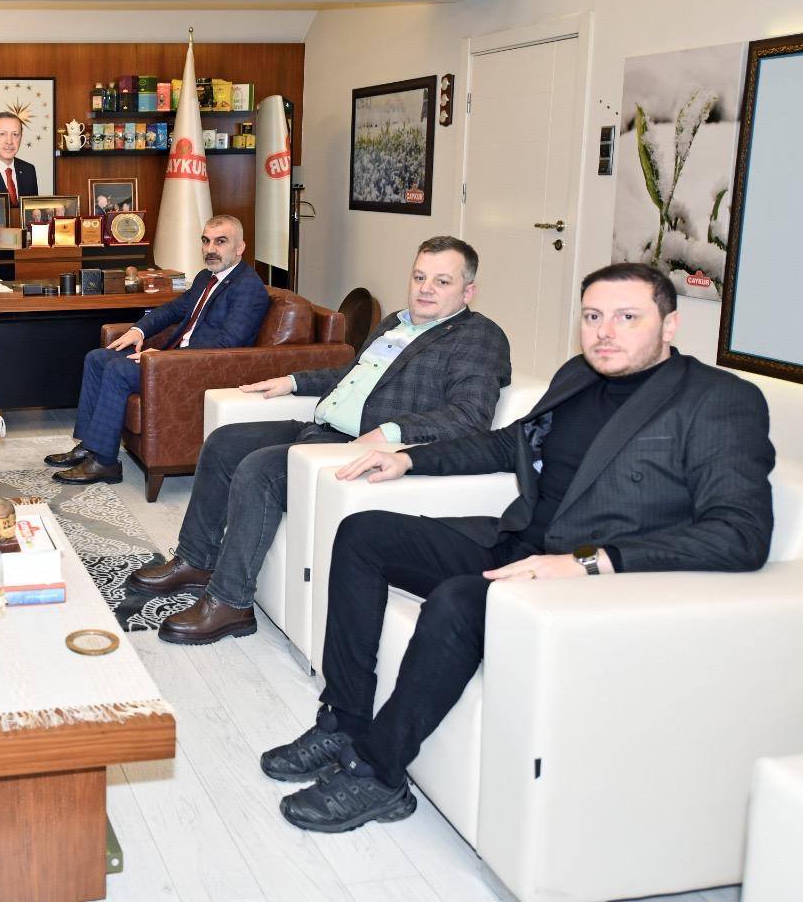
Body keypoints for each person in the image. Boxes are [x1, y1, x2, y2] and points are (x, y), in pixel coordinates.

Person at [266, 262, 774, 834]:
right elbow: (510, 444)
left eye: (628, 317)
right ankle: (345, 721)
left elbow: (741, 534)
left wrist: (588, 563)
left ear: (670, 324)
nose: (605, 332)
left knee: (458, 602)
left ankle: (379, 774)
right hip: (520, 546)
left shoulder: (718, 400)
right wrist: (409, 458)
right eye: (593, 317)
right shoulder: (579, 376)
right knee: (365, 533)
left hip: (592, 583)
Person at [131, 236, 510, 645]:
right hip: (322, 429)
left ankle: (229, 603)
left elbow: (470, 415)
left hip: (357, 448)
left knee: (260, 470)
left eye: (442, 281)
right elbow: (352, 374)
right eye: (419, 277)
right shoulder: (395, 323)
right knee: (225, 442)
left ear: (468, 291)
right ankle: (195, 561)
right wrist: (293, 381)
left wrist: (391, 432)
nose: (425, 289)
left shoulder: (478, 337)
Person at [47, 215, 269, 486]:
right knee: (97, 358)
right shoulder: (206, 278)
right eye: (206, 241)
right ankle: (90, 446)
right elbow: (173, 309)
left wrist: (161, 358)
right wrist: (138, 330)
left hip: (199, 368)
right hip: (174, 360)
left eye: (220, 242)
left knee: (117, 370)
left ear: (240, 247)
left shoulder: (248, 287)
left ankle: (104, 463)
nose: (210, 249)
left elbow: (227, 345)